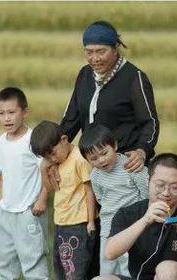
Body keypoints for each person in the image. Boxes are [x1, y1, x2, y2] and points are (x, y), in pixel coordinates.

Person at [60, 20, 160, 173]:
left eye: (101, 51)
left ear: (116, 48)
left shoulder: (134, 78)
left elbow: (150, 122)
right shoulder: (85, 75)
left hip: (127, 167)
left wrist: (142, 151)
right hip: (94, 165)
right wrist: (53, 151)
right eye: (89, 52)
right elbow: (71, 120)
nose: (95, 58)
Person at [0, 87, 50, 280]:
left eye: (12, 112)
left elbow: (48, 170)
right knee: (2, 258)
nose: (7, 118)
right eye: (2, 113)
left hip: (28, 210)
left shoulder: (33, 140)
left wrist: (42, 200)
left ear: (24, 112)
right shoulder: (1, 141)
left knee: (32, 256)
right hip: (5, 209)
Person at [31, 120, 98, 280]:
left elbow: (89, 190)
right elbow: (50, 188)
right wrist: (45, 168)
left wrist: (90, 221)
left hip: (78, 222)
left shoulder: (79, 158)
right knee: (61, 265)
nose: (51, 158)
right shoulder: (55, 162)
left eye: (52, 152)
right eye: (46, 156)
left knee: (75, 268)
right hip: (62, 222)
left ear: (64, 139)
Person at [78, 124, 149, 276]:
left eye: (104, 153)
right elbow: (101, 198)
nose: (101, 161)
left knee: (128, 267)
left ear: (115, 145)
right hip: (108, 227)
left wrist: (140, 217)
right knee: (107, 266)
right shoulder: (95, 176)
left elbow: (147, 193)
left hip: (131, 226)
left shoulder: (131, 166)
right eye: (94, 158)